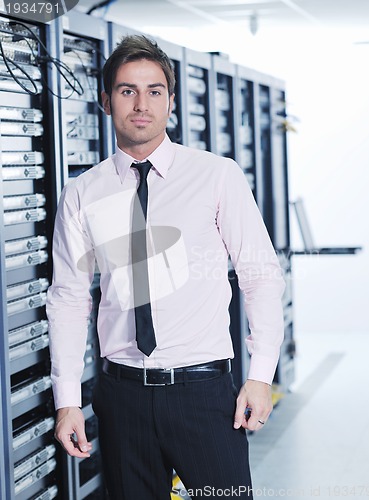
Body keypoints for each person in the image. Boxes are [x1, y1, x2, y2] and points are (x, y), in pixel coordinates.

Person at [46, 34, 285, 500]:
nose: (141, 104)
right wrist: (67, 401)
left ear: (171, 102)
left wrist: (260, 375)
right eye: (127, 90)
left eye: (154, 91)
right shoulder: (83, 193)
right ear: (105, 100)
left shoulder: (217, 176)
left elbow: (259, 275)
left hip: (204, 395)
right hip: (121, 397)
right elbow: (68, 299)